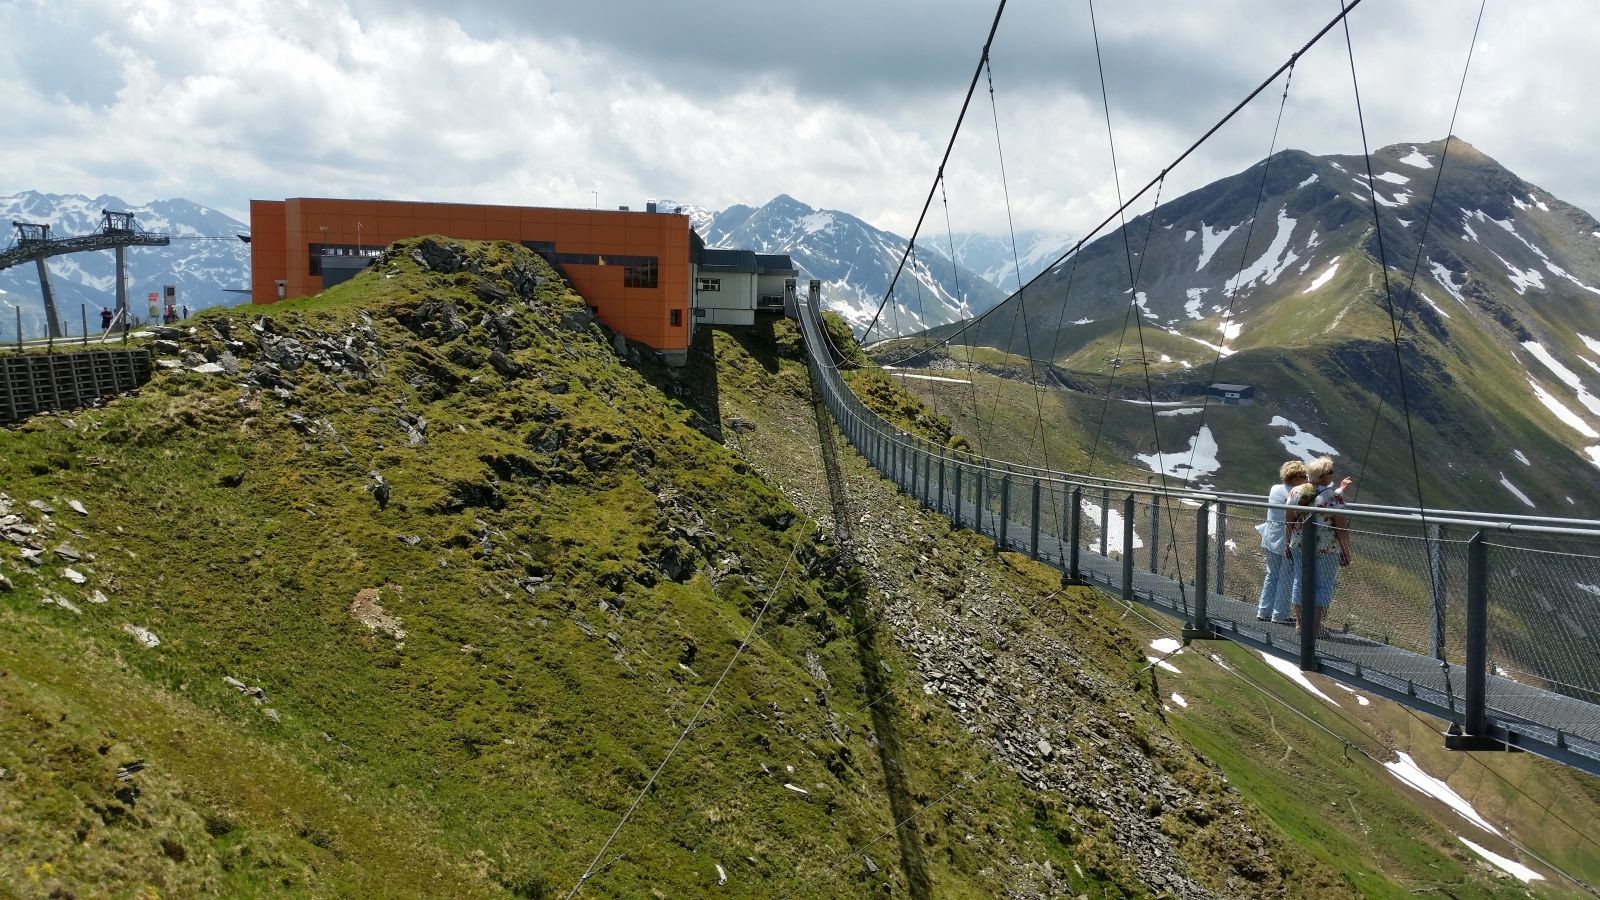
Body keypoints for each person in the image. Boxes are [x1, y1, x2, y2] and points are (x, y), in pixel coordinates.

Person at [1286, 456, 1353, 637]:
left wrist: (1287, 542)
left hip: (1299, 543)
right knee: (1323, 585)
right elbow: (1340, 526)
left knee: (1300, 582)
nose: (1332, 474)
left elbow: (1289, 519)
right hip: (1327, 547)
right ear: (1323, 475)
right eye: (1330, 471)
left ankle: (1300, 624)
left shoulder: (1296, 492)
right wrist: (1346, 551)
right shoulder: (1334, 496)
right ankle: (1316, 627)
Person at [1256, 460, 1308, 624]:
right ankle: (1279, 614)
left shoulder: (1274, 489)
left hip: (1270, 536)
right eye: (1303, 476)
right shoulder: (1296, 493)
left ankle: (1264, 610)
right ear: (1295, 478)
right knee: (1286, 577)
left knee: (1271, 574)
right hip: (1287, 539)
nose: (1306, 479)